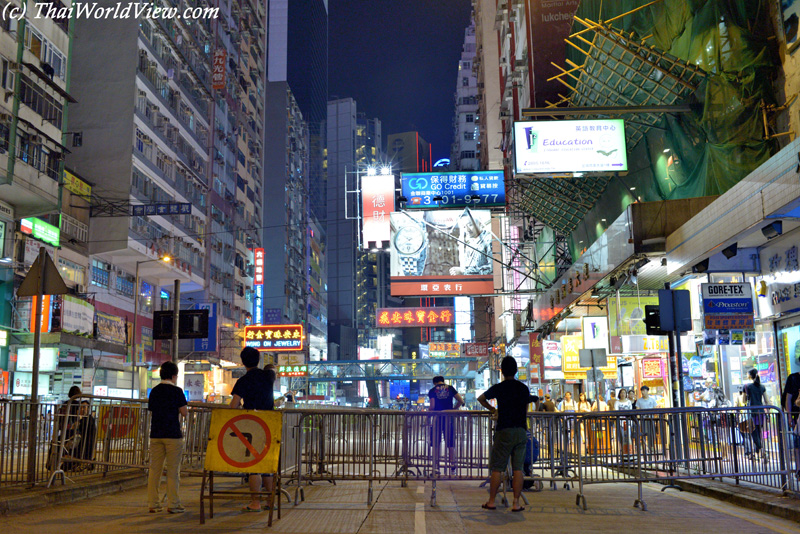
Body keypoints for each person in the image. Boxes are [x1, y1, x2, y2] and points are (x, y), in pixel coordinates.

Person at [478, 356, 537, 513]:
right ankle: (516, 503)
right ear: (516, 371)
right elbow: (525, 409)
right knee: (518, 468)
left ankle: (491, 501)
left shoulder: (499, 387)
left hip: (504, 430)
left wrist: (493, 410)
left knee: (497, 468)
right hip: (520, 431)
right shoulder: (523, 388)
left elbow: (481, 399)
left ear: (502, 371)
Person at [230, 347, 275, 512]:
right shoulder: (268, 377)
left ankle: (255, 503)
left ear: (243, 362)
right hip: (269, 425)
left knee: (254, 465)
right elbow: (272, 370)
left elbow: (233, 405)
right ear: (258, 360)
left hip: (252, 426)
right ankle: (270, 502)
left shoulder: (243, 381)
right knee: (267, 466)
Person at [147, 361, 188, 514]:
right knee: (173, 470)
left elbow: (152, 409)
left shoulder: (155, 391)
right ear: (173, 376)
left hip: (156, 434)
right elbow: (184, 412)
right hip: (172, 435)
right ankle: (174, 504)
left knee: (155, 469)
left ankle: (153, 503)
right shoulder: (177, 391)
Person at [428, 376, 465, 474]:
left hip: (437, 418)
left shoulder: (432, 390)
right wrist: (453, 409)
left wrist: (428, 414)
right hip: (449, 418)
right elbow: (461, 401)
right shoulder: (450, 388)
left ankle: (436, 467)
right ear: (443, 381)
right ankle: (453, 466)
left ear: (434, 383)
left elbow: (432, 406)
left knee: (436, 442)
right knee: (450, 442)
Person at [448, 210, 493, 276]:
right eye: (464, 226)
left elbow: (492, 269)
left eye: (470, 225)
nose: (467, 229)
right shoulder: (470, 244)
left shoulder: (489, 241)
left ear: (480, 223)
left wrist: (464, 271)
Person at [744, 368, 766, 460]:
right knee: (759, 432)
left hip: (752, 412)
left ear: (749, 375)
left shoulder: (747, 386)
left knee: (753, 432)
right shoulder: (762, 387)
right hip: (761, 412)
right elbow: (766, 400)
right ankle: (759, 453)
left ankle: (760, 449)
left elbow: (744, 400)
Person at [615, 389, 633, 455]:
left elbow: (630, 411)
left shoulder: (629, 402)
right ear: (619, 394)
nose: (623, 394)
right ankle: (622, 451)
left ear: (626, 394)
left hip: (628, 422)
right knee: (622, 436)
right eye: (621, 393)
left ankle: (629, 451)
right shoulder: (617, 402)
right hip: (620, 422)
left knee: (628, 436)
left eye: (624, 393)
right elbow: (616, 411)